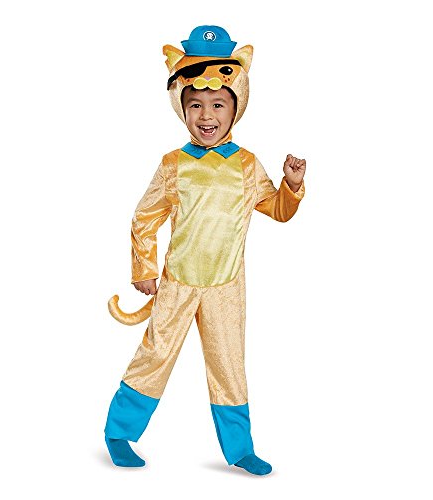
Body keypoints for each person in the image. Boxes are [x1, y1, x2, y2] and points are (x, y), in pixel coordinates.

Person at [104, 25, 306, 476]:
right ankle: (119, 432)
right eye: (195, 104)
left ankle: (239, 449)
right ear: (181, 108)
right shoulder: (173, 165)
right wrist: (144, 268)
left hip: (226, 288)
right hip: (177, 283)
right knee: (156, 355)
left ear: (237, 106)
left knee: (229, 365)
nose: (206, 114)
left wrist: (291, 187)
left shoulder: (247, 165)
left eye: (218, 104)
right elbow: (145, 217)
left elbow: (276, 210)